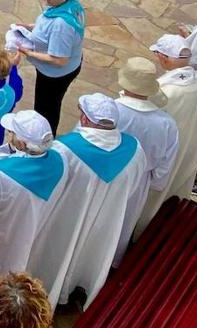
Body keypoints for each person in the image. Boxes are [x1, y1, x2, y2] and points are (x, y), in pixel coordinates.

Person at [27, 93, 150, 309]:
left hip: (66, 220)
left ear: (84, 119)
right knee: (90, 258)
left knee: (56, 259)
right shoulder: (135, 150)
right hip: (106, 224)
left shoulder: (64, 150)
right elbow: (135, 190)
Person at [0, 110, 67, 303]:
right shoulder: (61, 162)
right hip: (30, 235)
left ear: (22, 144)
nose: (8, 134)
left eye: (12, 132)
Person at [134, 35, 197, 234]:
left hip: (166, 152)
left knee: (150, 198)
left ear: (162, 57)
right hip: (192, 148)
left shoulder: (164, 91)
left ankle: (140, 232)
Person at [16, 0, 86, 133]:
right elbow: (45, 25)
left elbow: (60, 59)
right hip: (67, 65)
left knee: (46, 108)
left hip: (55, 74)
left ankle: (43, 136)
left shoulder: (61, 25)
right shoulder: (71, 6)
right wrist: (28, 27)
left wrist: (29, 53)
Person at [111, 57, 179, 197]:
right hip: (138, 183)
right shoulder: (167, 124)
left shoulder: (110, 110)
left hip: (105, 173)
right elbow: (166, 163)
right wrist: (153, 183)